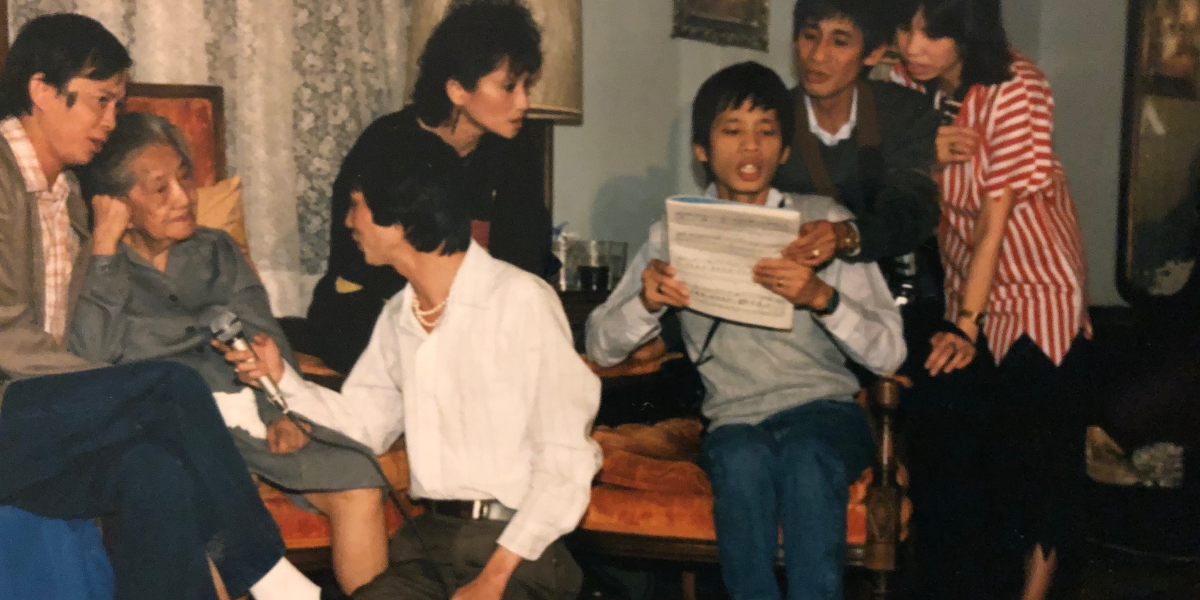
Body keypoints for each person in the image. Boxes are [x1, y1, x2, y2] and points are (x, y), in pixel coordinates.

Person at [0, 13, 324, 600]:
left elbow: (87, 324)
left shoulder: (72, 195)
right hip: (10, 416)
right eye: (100, 101)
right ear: (42, 90)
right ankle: (273, 580)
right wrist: (112, 386)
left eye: (117, 105)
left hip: (45, 426)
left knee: (155, 474)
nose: (109, 121)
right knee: (168, 389)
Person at [223, 141, 602, 600]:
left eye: (356, 207)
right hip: (429, 548)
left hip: (518, 555)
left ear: (399, 216)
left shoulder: (520, 301)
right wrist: (282, 378)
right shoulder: (399, 315)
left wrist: (494, 579)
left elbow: (567, 460)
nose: (348, 223)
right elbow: (365, 424)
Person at [586, 61, 905, 600]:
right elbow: (600, 342)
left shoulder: (821, 223)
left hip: (824, 414)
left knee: (806, 461)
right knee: (740, 459)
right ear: (702, 150)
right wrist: (646, 299)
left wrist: (820, 297)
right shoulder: (673, 232)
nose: (750, 148)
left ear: (784, 149)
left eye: (767, 131)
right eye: (731, 131)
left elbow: (890, 353)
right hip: (734, 422)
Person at [68, 112, 389, 595]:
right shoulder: (94, 265)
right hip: (170, 432)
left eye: (185, 177)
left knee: (357, 476)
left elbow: (264, 335)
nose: (183, 196)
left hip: (246, 413)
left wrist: (278, 410)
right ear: (117, 203)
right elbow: (90, 357)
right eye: (160, 188)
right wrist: (107, 251)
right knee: (187, 497)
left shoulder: (217, 250)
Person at [890, 1, 1093, 598]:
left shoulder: (1017, 85)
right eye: (906, 27)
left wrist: (969, 326)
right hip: (966, 284)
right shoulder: (908, 83)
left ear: (969, 29)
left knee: (1039, 460)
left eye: (933, 32)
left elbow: (995, 216)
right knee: (972, 464)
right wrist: (926, 149)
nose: (913, 45)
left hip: (1037, 284)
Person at [306, 0, 552, 374]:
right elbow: (363, 261)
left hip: (474, 322)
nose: (524, 102)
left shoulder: (513, 154)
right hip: (369, 313)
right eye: (508, 86)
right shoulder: (386, 146)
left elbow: (526, 258)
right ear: (456, 89)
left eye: (526, 85)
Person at [772, 0, 939, 293]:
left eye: (840, 42)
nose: (818, 55)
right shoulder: (771, 121)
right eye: (810, 36)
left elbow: (912, 211)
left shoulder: (906, 113)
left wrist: (845, 235)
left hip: (894, 295)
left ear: (873, 52)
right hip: (793, 293)